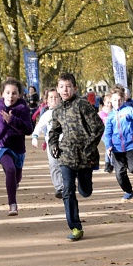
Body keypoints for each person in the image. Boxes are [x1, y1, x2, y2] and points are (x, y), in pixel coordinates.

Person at [49, 73, 104, 241]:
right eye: (62, 87)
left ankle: (86, 182)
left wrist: (89, 147)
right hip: (66, 156)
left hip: (85, 157)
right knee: (67, 190)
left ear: (74, 88)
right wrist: (53, 145)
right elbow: (54, 131)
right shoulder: (57, 110)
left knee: (85, 191)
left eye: (68, 86)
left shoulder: (83, 105)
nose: (65, 90)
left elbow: (98, 126)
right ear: (57, 89)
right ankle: (75, 227)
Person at [0, 78, 33, 216]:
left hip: (18, 148)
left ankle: (14, 183)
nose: (11, 96)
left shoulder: (22, 109)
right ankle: (12, 204)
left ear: (19, 95)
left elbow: (29, 129)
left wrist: (12, 120)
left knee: (16, 177)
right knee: (9, 169)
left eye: (14, 93)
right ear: (2, 93)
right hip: (0, 146)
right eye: (8, 92)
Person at [31, 88, 63, 198]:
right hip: (52, 144)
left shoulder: (65, 111)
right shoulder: (46, 115)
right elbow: (39, 127)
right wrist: (35, 137)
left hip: (66, 143)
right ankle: (59, 187)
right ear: (47, 101)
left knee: (67, 165)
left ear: (60, 98)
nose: (54, 99)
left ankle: (69, 183)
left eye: (56, 97)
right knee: (54, 165)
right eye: (51, 97)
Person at [99, 98, 114, 173]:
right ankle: (108, 164)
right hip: (104, 134)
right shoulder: (101, 113)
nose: (109, 104)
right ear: (104, 102)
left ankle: (111, 163)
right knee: (109, 147)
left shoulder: (114, 111)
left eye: (111, 102)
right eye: (108, 102)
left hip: (113, 134)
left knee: (111, 148)